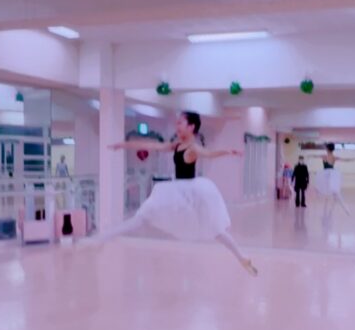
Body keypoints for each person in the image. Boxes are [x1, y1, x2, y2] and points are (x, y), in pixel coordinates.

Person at [87, 111, 258, 276]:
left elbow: (209, 154)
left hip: (190, 192)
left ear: (191, 127)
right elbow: (152, 146)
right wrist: (124, 145)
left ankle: (242, 257)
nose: (177, 126)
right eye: (177, 123)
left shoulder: (193, 148)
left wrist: (228, 152)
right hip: (177, 190)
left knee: (215, 230)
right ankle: (102, 239)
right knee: (142, 218)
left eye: (180, 123)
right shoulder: (176, 145)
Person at [314, 143, 355, 216]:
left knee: (332, 191)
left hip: (327, 175)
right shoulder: (333, 157)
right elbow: (346, 160)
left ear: (327, 149)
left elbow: (314, 156)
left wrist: (308, 156)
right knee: (334, 192)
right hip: (331, 175)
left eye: (326, 148)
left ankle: (342, 208)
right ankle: (344, 209)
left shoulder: (324, 156)